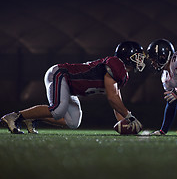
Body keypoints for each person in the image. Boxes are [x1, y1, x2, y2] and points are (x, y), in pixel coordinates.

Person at [1, 41, 145, 134]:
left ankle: (32, 119)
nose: (141, 60)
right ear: (127, 56)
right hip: (60, 74)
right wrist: (130, 116)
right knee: (58, 110)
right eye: (138, 56)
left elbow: (116, 103)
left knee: (73, 122)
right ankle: (14, 116)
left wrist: (125, 122)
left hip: (70, 86)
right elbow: (112, 98)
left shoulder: (121, 74)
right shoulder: (115, 64)